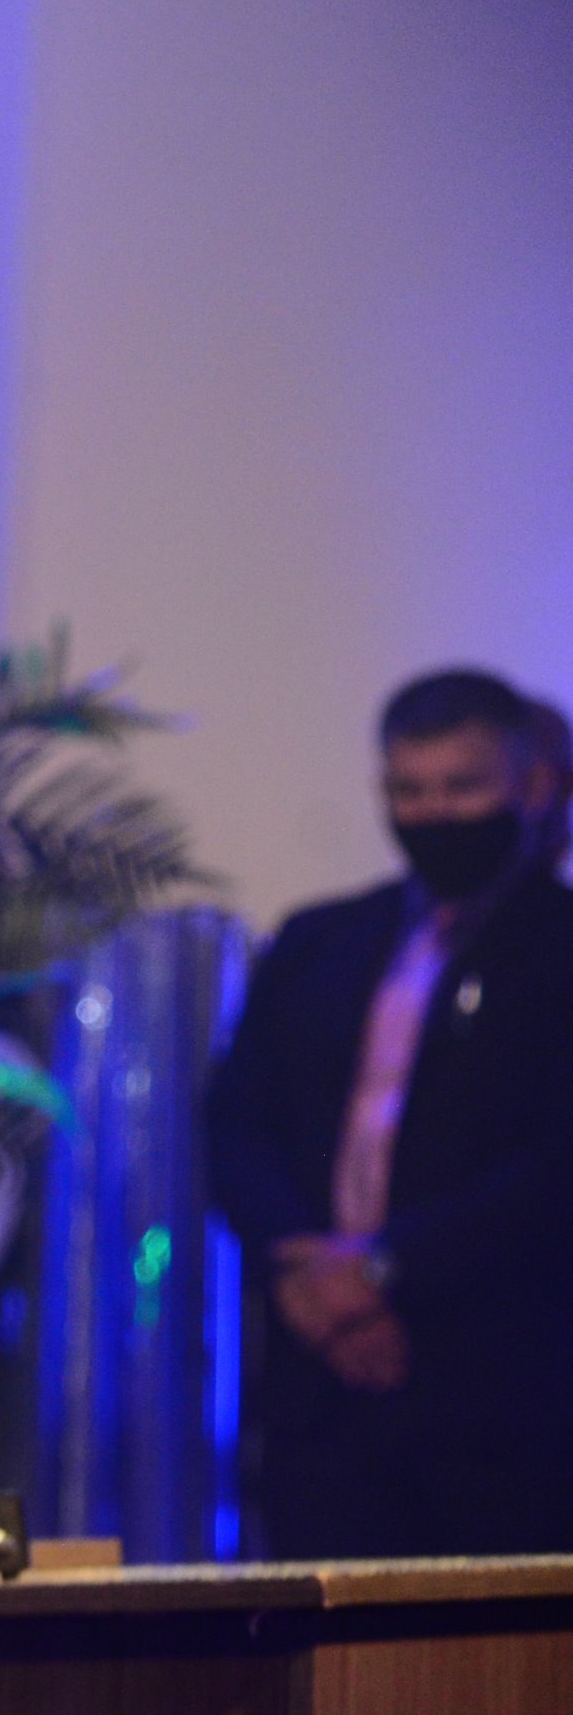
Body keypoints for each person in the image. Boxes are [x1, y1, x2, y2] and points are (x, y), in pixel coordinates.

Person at [207, 666, 573, 1557]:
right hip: (317, 1396)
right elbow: (235, 1119)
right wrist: (305, 1269)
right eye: (411, 790)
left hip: (495, 1396)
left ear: (529, 785)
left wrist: (384, 1269)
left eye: (463, 786)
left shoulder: (558, 947)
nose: (435, 812)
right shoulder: (319, 938)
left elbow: (552, 1166)